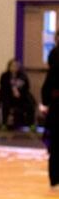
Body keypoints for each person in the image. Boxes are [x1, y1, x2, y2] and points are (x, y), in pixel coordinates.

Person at [41, 34, 59, 189]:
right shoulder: (55, 61)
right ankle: (54, 180)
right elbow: (46, 91)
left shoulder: (53, 64)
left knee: (56, 147)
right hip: (57, 109)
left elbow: (46, 92)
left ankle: (54, 180)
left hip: (56, 108)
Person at [0, 58, 34, 129]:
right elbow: (3, 88)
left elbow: (27, 87)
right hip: (8, 97)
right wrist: (12, 91)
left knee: (30, 105)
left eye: (16, 66)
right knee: (5, 104)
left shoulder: (22, 76)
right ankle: (4, 124)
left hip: (21, 97)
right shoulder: (5, 76)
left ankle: (31, 124)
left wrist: (20, 93)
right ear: (9, 66)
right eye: (13, 66)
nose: (14, 67)